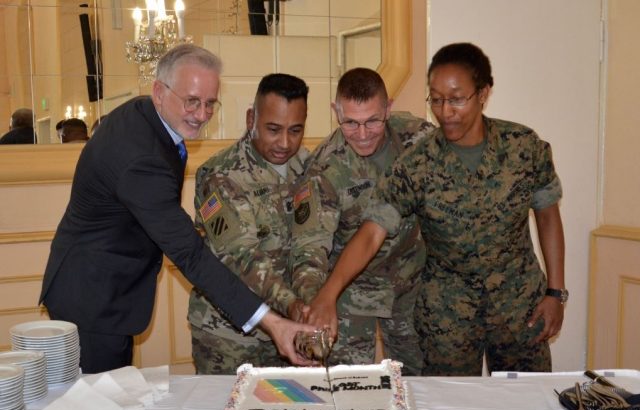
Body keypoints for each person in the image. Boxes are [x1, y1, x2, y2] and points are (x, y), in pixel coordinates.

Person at [39, 44, 316, 374]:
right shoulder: (140, 159)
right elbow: (190, 254)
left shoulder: (146, 115)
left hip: (107, 289)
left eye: (210, 103)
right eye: (192, 101)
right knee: (99, 408)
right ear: (159, 91)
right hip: (92, 298)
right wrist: (272, 323)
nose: (201, 115)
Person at [308, 43, 567, 376]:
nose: (446, 111)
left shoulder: (523, 146)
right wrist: (328, 294)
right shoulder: (416, 163)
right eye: (437, 100)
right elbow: (372, 233)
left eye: (457, 99)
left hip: (519, 304)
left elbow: (548, 214)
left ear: (484, 93)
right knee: (448, 407)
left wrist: (556, 292)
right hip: (449, 314)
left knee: (528, 403)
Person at [289, 68, 434, 376]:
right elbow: (310, 246)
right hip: (350, 292)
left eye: (373, 120)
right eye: (351, 123)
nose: (363, 133)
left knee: (418, 380)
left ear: (389, 109)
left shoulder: (417, 137)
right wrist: (319, 301)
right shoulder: (324, 169)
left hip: (409, 283)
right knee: (350, 385)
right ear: (335, 113)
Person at [189, 73, 310, 374]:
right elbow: (241, 257)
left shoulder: (307, 165)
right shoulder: (220, 175)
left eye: (295, 130)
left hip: (291, 329)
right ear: (250, 119)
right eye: (273, 129)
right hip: (231, 338)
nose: (285, 142)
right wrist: (293, 304)